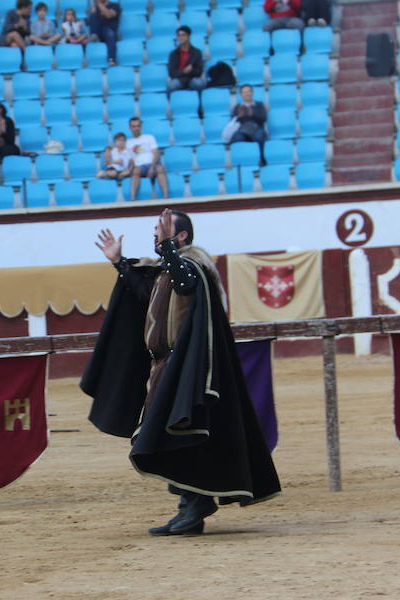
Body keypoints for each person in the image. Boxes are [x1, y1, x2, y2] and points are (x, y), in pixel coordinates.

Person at [82, 209, 282, 536]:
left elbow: (186, 282)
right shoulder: (166, 270)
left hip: (186, 367)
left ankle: (194, 505)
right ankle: (190, 505)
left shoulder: (193, 268)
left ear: (182, 236)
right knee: (172, 436)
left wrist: (167, 249)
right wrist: (119, 262)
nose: (155, 233)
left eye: (162, 228)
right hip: (163, 368)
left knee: (179, 435)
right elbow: (143, 292)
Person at [126, 117, 168, 200]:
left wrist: (152, 167)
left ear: (141, 127)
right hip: (140, 167)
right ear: (130, 128)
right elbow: (131, 160)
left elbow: (156, 153)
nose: (136, 128)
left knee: (160, 168)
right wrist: (129, 171)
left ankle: (166, 197)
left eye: (138, 126)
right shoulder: (128, 142)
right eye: (133, 126)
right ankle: (132, 198)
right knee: (135, 171)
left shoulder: (149, 137)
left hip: (153, 164)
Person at [229, 84, 268, 166]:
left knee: (260, 136)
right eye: (245, 92)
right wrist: (239, 116)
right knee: (237, 136)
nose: (247, 94)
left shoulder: (259, 105)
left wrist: (253, 114)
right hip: (243, 131)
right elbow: (233, 121)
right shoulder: (238, 107)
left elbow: (264, 118)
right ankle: (242, 161)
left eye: (249, 91)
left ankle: (262, 159)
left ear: (252, 93)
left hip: (256, 129)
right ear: (241, 94)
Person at [167, 26, 205, 94]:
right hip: (179, 79)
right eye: (179, 36)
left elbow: (199, 71)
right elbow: (171, 73)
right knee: (171, 85)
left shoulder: (197, 52)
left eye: (183, 35)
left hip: (192, 78)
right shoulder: (173, 54)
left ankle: (200, 103)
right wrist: (184, 72)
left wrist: (191, 71)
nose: (180, 38)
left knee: (199, 83)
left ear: (189, 36)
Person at [88, 0, 120, 65]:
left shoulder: (115, 5)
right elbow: (91, 17)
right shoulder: (96, 7)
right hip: (98, 32)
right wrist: (95, 5)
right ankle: (94, 35)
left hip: (110, 30)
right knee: (93, 15)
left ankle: (111, 59)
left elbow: (108, 15)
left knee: (109, 34)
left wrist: (99, 4)